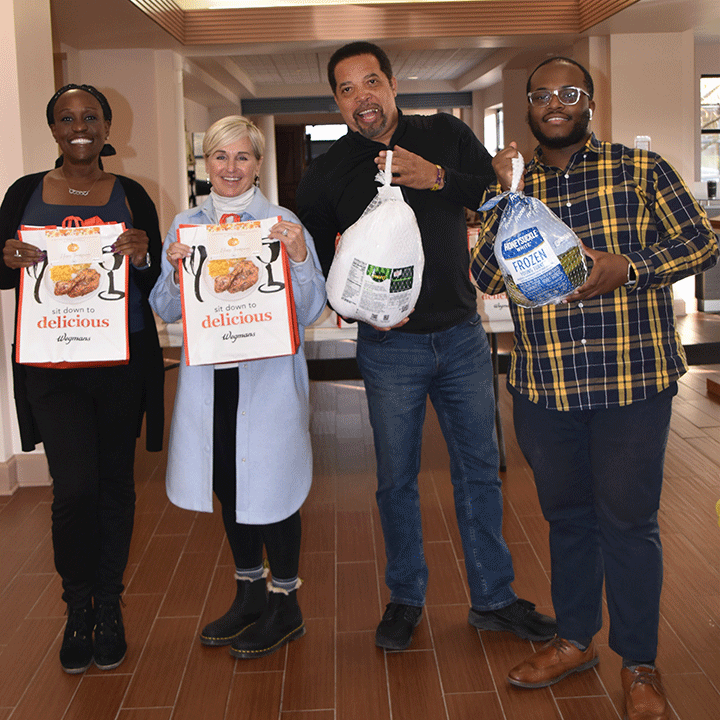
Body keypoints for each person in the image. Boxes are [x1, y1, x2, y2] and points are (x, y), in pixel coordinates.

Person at [472, 57, 718, 720]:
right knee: (567, 522)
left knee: (630, 525)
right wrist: (506, 194)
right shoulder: (513, 189)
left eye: (569, 93)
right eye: (542, 95)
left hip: (632, 383)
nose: (555, 103)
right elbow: (487, 279)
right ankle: (575, 640)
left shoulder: (640, 171)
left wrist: (630, 267)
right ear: (528, 107)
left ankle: (639, 662)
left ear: (589, 101)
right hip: (544, 388)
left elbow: (700, 243)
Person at [296, 41, 557, 651]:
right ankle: (406, 598)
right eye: (346, 89)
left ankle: (494, 598)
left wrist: (433, 176)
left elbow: (491, 196)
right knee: (395, 479)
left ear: (392, 84)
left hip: (463, 335)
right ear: (337, 101)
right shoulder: (328, 172)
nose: (362, 97)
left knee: (480, 474)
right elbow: (313, 255)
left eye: (371, 82)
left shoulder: (443, 132)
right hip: (389, 349)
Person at [0, 84, 165, 674]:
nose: (78, 126)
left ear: (106, 126)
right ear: (52, 129)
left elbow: (159, 283)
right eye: (66, 118)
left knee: (116, 486)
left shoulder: (132, 194)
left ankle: (111, 609)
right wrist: (7, 257)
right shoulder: (22, 193)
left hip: (122, 363)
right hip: (53, 368)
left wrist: (143, 256)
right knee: (73, 490)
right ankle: (77, 609)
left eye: (89, 117)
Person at [150, 115, 326, 659]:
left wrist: (297, 257)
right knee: (227, 480)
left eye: (242, 157)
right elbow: (162, 308)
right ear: (206, 164)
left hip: (267, 377)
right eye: (219, 157)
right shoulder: (186, 225)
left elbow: (313, 307)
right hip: (212, 378)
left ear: (258, 163)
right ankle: (249, 593)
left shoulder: (282, 222)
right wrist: (174, 271)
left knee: (273, 486)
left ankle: (287, 604)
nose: (231, 168)